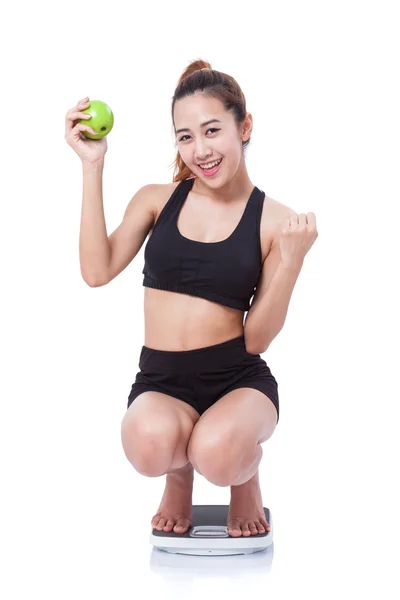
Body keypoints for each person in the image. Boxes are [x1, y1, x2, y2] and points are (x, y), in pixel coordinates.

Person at [65, 59, 318, 538]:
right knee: (145, 446)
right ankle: (178, 476)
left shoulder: (275, 220)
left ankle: (245, 478)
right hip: (162, 379)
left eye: (212, 130)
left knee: (220, 456)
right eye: (185, 136)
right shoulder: (157, 200)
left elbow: (257, 338)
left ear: (244, 127)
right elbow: (96, 272)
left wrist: (291, 261)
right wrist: (92, 165)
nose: (200, 150)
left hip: (237, 380)